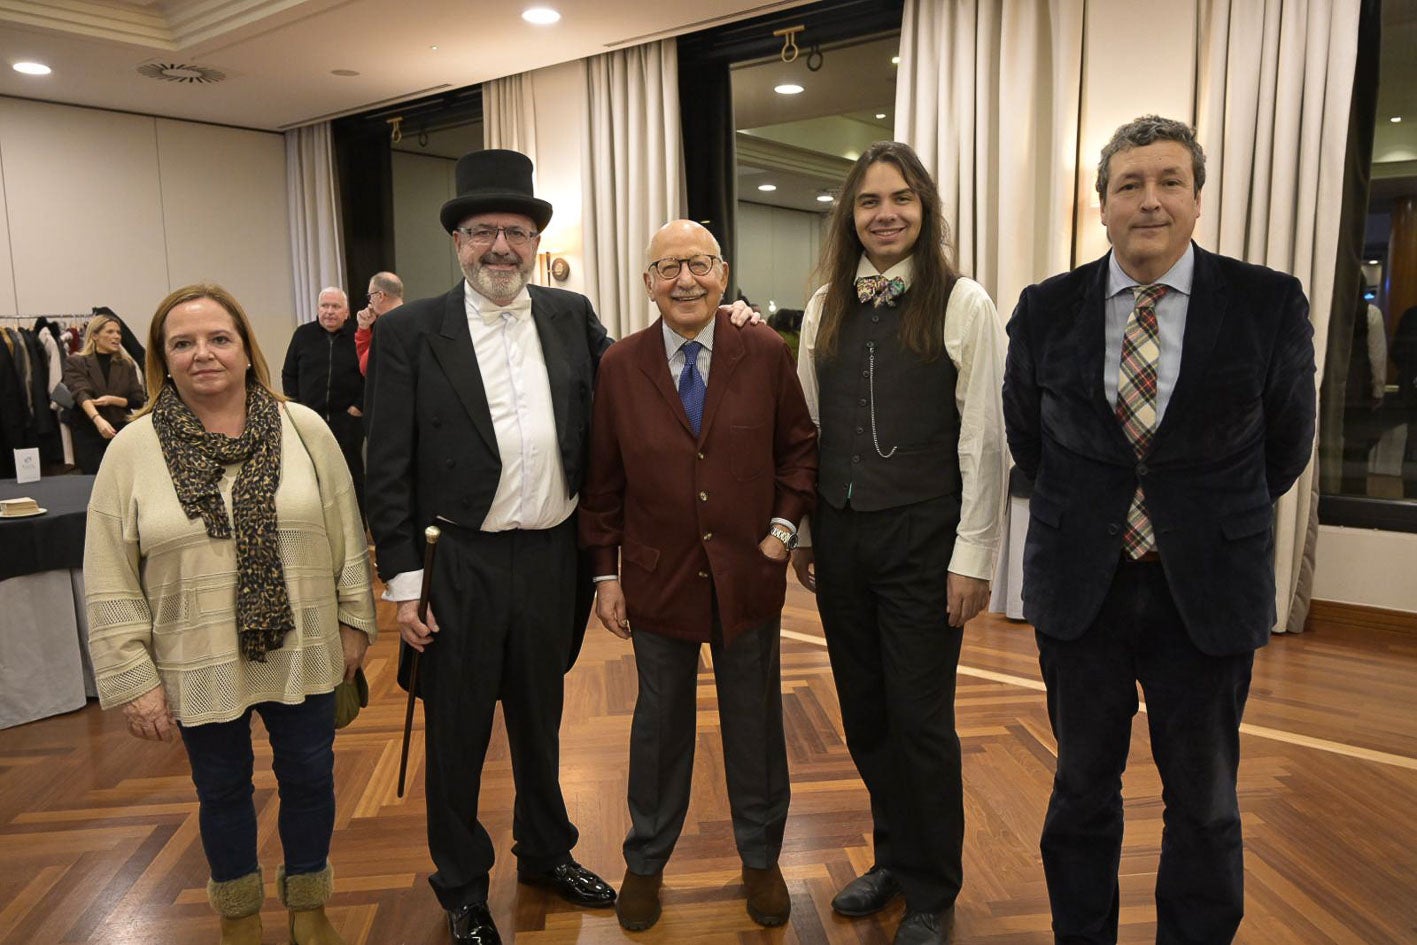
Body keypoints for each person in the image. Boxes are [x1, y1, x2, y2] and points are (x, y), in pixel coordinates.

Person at [1002, 115, 1316, 945]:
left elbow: (1284, 445)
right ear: (1100, 205)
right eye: (1128, 185)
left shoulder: (1265, 302)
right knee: (1078, 794)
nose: (1149, 201)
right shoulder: (1044, 309)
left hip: (1206, 595)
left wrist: (1194, 521)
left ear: (1197, 200)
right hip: (1082, 594)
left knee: (1205, 803)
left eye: (1168, 181)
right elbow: (1028, 442)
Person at [364, 148, 618, 945]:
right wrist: (406, 584)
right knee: (459, 731)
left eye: (514, 231)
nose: (499, 247)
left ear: (535, 241)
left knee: (541, 720)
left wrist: (726, 323)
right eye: (482, 232)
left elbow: (631, 393)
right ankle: (462, 885)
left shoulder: (571, 315)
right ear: (457, 242)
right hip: (457, 563)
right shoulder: (409, 330)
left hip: (551, 557)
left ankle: (546, 852)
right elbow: (388, 465)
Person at [83, 283, 376, 945]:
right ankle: (239, 915)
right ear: (162, 358)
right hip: (194, 656)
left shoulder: (305, 429)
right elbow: (108, 570)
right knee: (221, 790)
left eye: (219, 338)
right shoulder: (131, 450)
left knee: (310, 776)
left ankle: (308, 904)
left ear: (246, 349)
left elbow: (344, 528)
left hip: (302, 644)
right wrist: (134, 676)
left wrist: (356, 620)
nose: (202, 354)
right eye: (181, 343)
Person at [791, 141, 1008, 945]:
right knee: (866, 713)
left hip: (924, 540)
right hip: (842, 538)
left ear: (925, 209)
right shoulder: (823, 307)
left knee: (920, 720)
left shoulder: (963, 302)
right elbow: (807, 431)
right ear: (850, 216)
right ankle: (891, 854)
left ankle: (931, 885)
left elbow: (983, 441)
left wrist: (972, 556)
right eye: (869, 201)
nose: (885, 214)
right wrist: (809, 532)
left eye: (901, 199)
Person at [579, 220, 818, 931]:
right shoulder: (619, 364)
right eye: (667, 267)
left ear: (722, 271)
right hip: (657, 579)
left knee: (755, 723)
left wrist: (781, 532)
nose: (684, 280)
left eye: (699, 264)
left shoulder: (764, 350)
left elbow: (799, 453)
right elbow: (602, 481)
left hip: (749, 575)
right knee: (659, 727)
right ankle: (645, 861)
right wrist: (603, 574)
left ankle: (761, 858)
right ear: (647, 283)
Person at [282, 287, 366, 518]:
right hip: (310, 421)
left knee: (351, 474)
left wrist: (358, 407)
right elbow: (289, 374)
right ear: (317, 309)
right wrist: (296, 407)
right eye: (324, 306)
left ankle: (359, 525)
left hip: (348, 420)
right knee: (313, 474)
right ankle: (320, 524)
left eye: (335, 306)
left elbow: (371, 375)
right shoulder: (303, 335)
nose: (329, 312)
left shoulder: (358, 336)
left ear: (346, 312)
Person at [62, 312, 145, 473]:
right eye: (110, 332)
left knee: (123, 476)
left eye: (119, 332)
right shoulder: (77, 361)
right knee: (94, 477)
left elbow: (138, 400)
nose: (116, 336)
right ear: (94, 335)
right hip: (89, 430)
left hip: (120, 429)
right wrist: (98, 420)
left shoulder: (126, 364)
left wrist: (112, 400)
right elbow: (81, 393)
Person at [354, 271, 404, 375]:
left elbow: (366, 368)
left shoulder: (388, 324)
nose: (369, 301)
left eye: (370, 295)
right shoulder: (413, 318)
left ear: (380, 295)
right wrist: (364, 327)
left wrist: (363, 331)